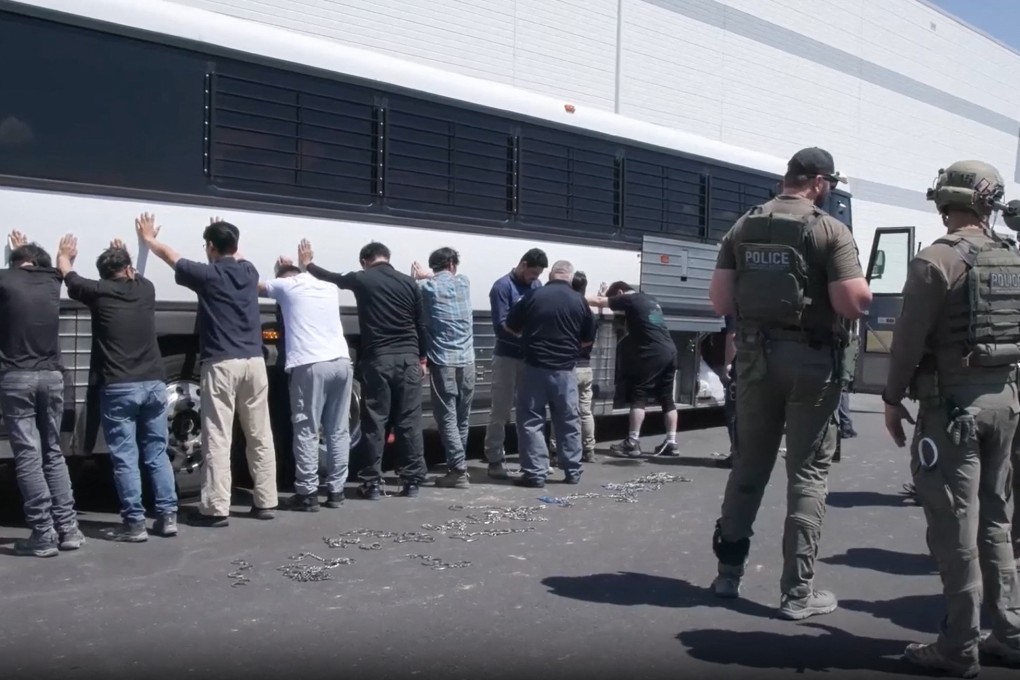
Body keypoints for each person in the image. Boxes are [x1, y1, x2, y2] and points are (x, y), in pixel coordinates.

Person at [706, 147, 872, 620]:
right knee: (808, 474)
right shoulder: (828, 229)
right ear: (819, 182)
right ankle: (797, 593)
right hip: (813, 362)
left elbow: (719, 301)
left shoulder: (744, 225)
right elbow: (852, 303)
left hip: (757, 358)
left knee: (749, 467)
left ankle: (727, 575)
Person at [882, 160, 1020, 676]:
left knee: (953, 526)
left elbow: (907, 342)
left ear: (944, 201)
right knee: (997, 520)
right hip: (1004, 403)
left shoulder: (935, 261)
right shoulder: (1012, 256)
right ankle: (1008, 631)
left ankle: (959, 646)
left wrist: (893, 400)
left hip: (951, 410)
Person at [137, 213, 278, 526]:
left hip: (222, 362)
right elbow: (236, 254)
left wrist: (149, 239)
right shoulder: (249, 270)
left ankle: (216, 508)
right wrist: (223, 233)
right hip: (255, 362)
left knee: (217, 436)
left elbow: (172, 257)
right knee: (259, 433)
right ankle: (265, 501)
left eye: (207, 245)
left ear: (212, 247)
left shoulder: (207, 275)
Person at [58, 234, 178, 541]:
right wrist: (124, 248)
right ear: (128, 270)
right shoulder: (146, 290)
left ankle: (135, 523)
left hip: (119, 386)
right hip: (154, 383)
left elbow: (68, 276)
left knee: (125, 457)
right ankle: (167, 517)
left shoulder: (97, 292)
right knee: (156, 453)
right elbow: (134, 273)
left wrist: (65, 255)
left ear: (104, 274)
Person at [304, 240, 428, 499]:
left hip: (378, 359)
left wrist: (308, 264)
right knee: (409, 422)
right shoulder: (409, 282)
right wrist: (423, 358)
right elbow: (422, 324)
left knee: (375, 421)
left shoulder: (362, 279)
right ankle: (412, 481)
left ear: (364, 260)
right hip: (408, 358)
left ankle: (371, 483)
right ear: (387, 257)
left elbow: (331, 277)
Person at [0, 231, 83, 557]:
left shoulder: (5, 281)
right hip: (52, 377)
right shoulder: (53, 282)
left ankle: (43, 533)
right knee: (52, 452)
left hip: (17, 377)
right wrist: (64, 256)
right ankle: (69, 529)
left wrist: (16, 251)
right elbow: (55, 266)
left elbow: (15, 278)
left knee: (28, 456)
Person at [259, 244, 353, 512]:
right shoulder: (326, 287)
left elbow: (254, 286)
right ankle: (336, 491)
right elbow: (303, 280)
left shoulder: (287, 287)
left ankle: (307, 492)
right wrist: (303, 264)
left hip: (310, 364)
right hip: (342, 362)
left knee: (306, 428)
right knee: (338, 430)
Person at [505, 260, 595, 487]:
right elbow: (587, 339)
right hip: (565, 371)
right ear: (570, 277)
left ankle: (535, 474)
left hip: (534, 368)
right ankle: (572, 471)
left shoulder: (533, 296)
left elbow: (510, 326)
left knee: (531, 421)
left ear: (551, 274)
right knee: (568, 421)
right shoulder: (579, 301)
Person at [587, 282, 678, 457]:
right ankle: (672, 442)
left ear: (620, 293)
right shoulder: (649, 299)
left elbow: (599, 301)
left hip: (652, 352)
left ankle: (632, 442)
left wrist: (578, 297)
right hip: (670, 350)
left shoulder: (629, 300)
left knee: (639, 394)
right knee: (666, 397)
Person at [411, 248, 475, 489]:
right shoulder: (464, 283)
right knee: (462, 418)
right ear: (451, 264)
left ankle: (458, 469)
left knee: (446, 417)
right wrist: (428, 275)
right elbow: (449, 278)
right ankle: (457, 466)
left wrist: (420, 277)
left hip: (443, 361)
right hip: (467, 361)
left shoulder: (426, 289)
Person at [484, 249, 548, 479]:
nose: (534, 277)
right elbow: (501, 327)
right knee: (500, 411)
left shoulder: (537, 286)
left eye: (537, 274)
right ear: (522, 265)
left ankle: (531, 459)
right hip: (507, 357)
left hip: (529, 358)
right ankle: (494, 460)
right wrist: (528, 338)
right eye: (531, 272)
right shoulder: (502, 287)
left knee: (531, 410)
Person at [549, 271, 598, 463]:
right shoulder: (589, 313)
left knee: (560, 410)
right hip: (586, 368)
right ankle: (589, 450)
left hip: (568, 366)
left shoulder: (568, 309)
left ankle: (554, 450)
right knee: (585, 412)